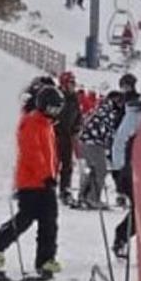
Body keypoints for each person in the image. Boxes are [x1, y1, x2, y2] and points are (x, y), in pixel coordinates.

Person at [0, 83, 64, 278]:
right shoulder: (31, 123)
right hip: (32, 181)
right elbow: (32, 152)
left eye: (57, 109)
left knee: (49, 221)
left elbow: (49, 153)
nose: (54, 113)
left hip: (44, 180)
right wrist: (46, 174)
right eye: (51, 108)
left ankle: (45, 260)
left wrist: (54, 173)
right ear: (42, 105)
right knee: (26, 218)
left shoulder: (47, 125)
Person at [109, 84, 141, 258]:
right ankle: (122, 237)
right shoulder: (137, 117)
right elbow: (120, 141)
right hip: (132, 171)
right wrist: (118, 169)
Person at [77, 75, 135, 207]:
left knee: (93, 169)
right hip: (94, 142)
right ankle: (93, 198)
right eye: (120, 102)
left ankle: (84, 196)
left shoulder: (101, 108)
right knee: (100, 170)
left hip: (87, 141)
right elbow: (107, 130)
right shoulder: (107, 111)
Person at [55, 72, 81, 205]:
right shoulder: (57, 96)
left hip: (67, 135)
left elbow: (78, 114)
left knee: (67, 164)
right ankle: (47, 188)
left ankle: (65, 189)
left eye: (73, 83)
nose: (73, 86)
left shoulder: (74, 98)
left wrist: (76, 127)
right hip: (55, 134)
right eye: (71, 83)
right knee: (53, 162)